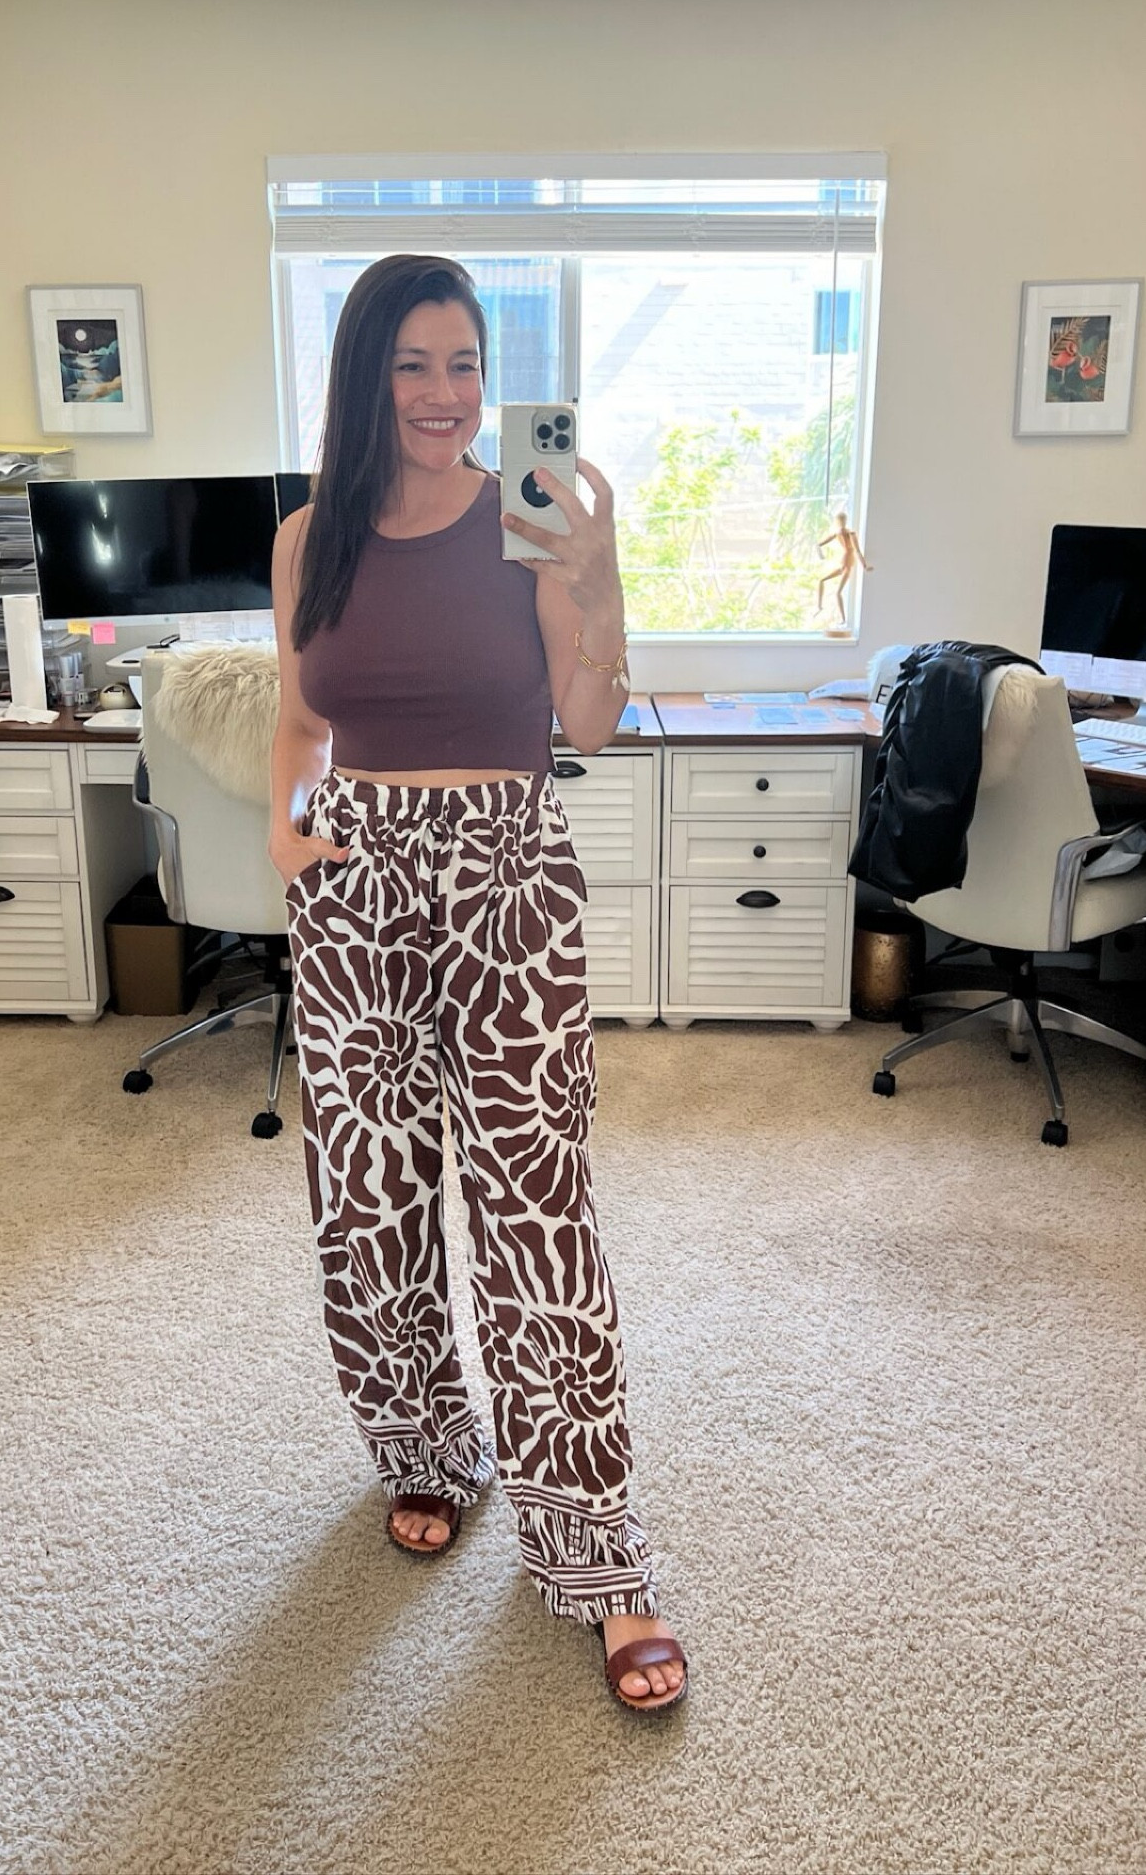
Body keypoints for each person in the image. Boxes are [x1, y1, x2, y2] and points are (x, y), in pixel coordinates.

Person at [267, 253, 688, 1715]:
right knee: (369, 1198)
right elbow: (302, 711)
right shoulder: (307, 535)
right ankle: (426, 1449)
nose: (448, 397)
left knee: (535, 1208)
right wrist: (286, 819)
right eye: (415, 366)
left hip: (509, 874)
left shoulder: (526, 528)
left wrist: (597, 570)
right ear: (365, 379)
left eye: (467, 366)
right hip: (360, 880)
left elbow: (591, 724)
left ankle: (599, 1552)